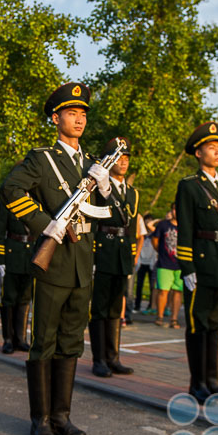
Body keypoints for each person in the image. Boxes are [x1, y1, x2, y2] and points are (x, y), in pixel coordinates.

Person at [0, 82, 113, 435]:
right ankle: (41, 419)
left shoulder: (92, 165)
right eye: (71, 113)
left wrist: (107, 187)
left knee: (71, 343)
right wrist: (43, 224)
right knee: (44, 342)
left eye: (82, 114)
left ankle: (63, 415)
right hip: (54, 261)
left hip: (82, 263)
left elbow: (117, 216)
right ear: (56, 118)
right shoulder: (42, 158)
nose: (78, 119)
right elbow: (10, 189)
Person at [176, 121, 218, 404]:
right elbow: (185, 228)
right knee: (197, 324)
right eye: (211, 148)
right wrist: (187, 267)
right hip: (200, 264)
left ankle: (214, 381)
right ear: (198, 153)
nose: (217, 152)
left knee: (215, 325)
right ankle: (197, 383)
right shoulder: (189, 186)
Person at [90, 136, 137, 378]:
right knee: (99, 308)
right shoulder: (97, 187)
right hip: (103, 251)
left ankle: (113, 357)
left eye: (127, 158)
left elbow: (133, 230)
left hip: (121, 255)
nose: (124, 162)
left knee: (115, 309)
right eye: (119, 157)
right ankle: (99, 359)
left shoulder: (133, 193)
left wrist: (131, 257)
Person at [0, 201, 33, 354]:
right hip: (12, 254)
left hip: (30, 255)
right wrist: (1, 260)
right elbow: (1, 231)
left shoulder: (37, 201)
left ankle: (21, 338)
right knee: (9, 298)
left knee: (25, 298)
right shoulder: (8, 202)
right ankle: (8, 339)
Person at [151, 206, 182, 328]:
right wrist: (159, 251)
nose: (176, 212)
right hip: (164, 263)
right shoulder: (163, 225)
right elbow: (155, 239)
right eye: (174, 209)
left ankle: (174, 319)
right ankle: (160, 316)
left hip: (180, 264)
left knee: (178, 291)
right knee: (163, 291)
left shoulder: (186, 225)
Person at [135, 215, 158, 313]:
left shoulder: (155, 233)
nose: (147, 223)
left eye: (150, 221)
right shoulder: (141, 235)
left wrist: (156, 220)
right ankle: (137, 305)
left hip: (151, 263)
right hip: (141, 263)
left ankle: (150, 305)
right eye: (146, 221)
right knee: (139, 285)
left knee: (152, 286)